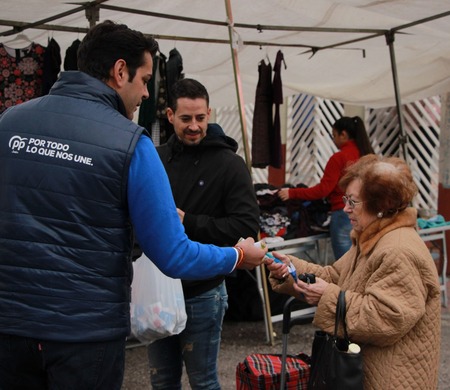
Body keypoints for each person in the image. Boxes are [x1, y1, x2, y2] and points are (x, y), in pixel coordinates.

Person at [0, 21, 267, 390]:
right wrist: (238, 256)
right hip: (85, 334)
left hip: (10, 327)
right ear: (120, 71)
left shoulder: (10, 123)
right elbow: (174, 255)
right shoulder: (130, 143)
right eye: (144, 79)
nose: (145, 93)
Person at [267, 154, 441, 389]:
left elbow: (386, 317)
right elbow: (336, 277)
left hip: (391, 379)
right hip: (368, 372)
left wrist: (327, 295)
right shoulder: (373, 238)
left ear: (382, 204)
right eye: (345, 199)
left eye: (353, 201)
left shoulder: (398, 250)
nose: (345, 208)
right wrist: (289, 268)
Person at [147, 78, 260, 389]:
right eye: (186, 119)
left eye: (200, 118)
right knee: (162, 382)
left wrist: (190, 221)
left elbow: (247, 228)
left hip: (203, 291)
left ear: (209, 113)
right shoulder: (154, 159)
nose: (194, 126)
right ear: (169, 115)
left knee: (204, 382)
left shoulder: (230, 165)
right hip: (158, 292)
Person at [278, 116, 374, 259]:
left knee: (345, 264)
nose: (334, 140)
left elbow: (323, 189)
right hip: (368, 212)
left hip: (344, 214)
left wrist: (292, 193)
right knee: (364, 260)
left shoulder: (339, 158)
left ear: (343, 135)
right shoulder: (367, 156)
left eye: (334, 135)